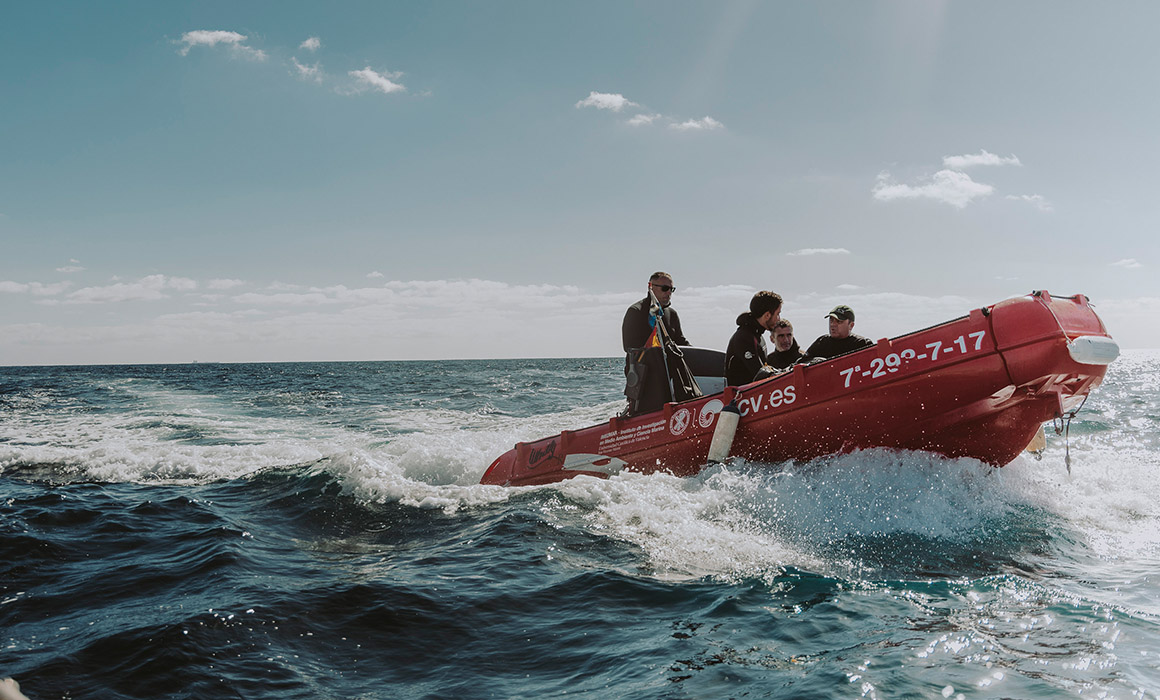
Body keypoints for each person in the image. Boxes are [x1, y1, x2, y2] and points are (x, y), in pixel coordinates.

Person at [725, 291, 783, 386]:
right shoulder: (744, 337)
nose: (779, 319)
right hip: (741, 399)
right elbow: (760, 374)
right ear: (767, 315)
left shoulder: (757, 336)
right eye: (777, 314)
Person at [622, 271, 690, 352]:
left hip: (668, 364)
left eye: (671, 289)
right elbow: (629, 346)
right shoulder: (635, 311)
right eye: (665, 288)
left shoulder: (672, 314)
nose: (669, 292)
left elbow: (681, 342)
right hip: (644, 363)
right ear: (650, 286)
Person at [803, 304, 874, 361]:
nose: (833, 324)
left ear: (851, 325)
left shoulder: (862, 344)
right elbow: (801, 363)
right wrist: (814, 361)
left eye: (839, 321)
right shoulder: (822, 343)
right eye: (831, 320)